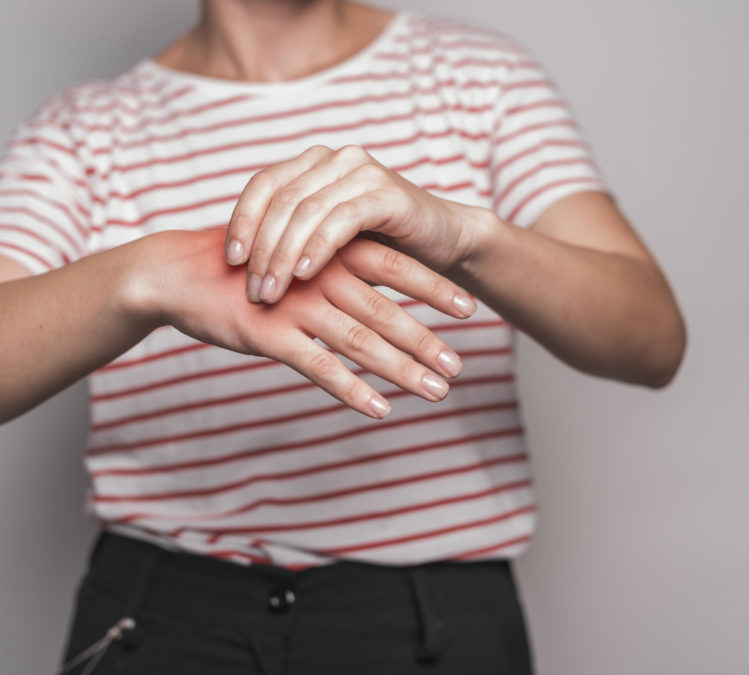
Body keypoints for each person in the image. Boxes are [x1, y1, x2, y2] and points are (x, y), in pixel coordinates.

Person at [0, 1, 686, 672]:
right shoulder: (83, 130)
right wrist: (141, 278)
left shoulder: (477, 77)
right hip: (160, 619)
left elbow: (653, 341)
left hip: (431, 618)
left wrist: (467, 237)